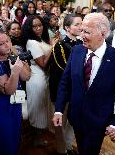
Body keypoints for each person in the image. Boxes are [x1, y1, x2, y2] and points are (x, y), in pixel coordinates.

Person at [53, 13, 115, 155]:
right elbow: (65, 82)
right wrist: (58, 110)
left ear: (103, 33)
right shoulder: (76, 51)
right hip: (76, 117)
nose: (81, 35)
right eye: (81, 30)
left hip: (98, 121)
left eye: (86, 32)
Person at [0, 28, 31, 155]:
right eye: (1, 44)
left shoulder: (14, 53)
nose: (7, 45)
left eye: (7, 41)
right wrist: (14, 72)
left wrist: (17, 60)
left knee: (15, 139)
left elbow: (26, 77)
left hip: (14, 104)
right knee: (4, 143)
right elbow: (8, 90)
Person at [49, 14, 82, 155]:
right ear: (67, 28)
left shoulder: (82, 44)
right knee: (60, 123)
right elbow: (64, 70)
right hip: (61, 90)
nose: (81, 27)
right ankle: (62, 150)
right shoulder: (60, 46)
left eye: (81, 24)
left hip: (77, 90)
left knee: (73, 121)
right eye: (77, 24)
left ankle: (68, 146)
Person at [22, 15, 58, 146]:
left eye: (40, 25)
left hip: (44, 77)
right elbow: (43, 63)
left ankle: (39, 136)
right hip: (37, 79)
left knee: (42, 107)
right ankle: (36, 139)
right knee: (37, 109)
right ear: (29, 28)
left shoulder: (41, 39)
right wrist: (53, 46)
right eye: (35, 26)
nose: (38, 28)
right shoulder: (31, 42)